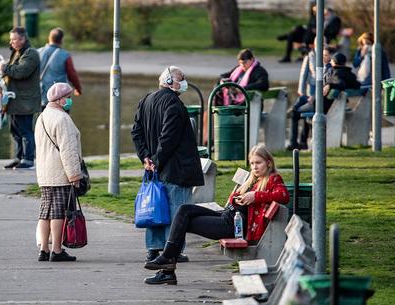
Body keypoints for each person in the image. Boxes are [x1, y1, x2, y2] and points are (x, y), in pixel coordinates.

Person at [143, 144, 289, 285]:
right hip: (226, 215)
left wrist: (255, 196)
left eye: (259, 163)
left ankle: (167, 268)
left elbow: (283, 195)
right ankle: (168, 262)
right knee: (184, 210)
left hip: (231, 226)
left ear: (268, 163)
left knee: (183, 221)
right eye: (252, 163)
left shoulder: (273, 179)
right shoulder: (253, 179)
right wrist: (239, 198)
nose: (255, 167)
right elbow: (236, 201)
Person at [131, 66, 204, 263]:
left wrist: (145, 157)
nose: (185, 81)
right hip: (175, 168)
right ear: (171, 81)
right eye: (182, 78)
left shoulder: (146, 100)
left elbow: (136, 132)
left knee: (156, 208)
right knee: (176, 210)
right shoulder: (174, 104)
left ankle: (154, 248)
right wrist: (156, 160)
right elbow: (168, 138)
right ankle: (172, 251)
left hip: (154, 167)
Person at [34, 83, 82, 262]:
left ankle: (43, 249)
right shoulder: (63, 119)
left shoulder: (42, 117)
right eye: (68, 97)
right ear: (60, 99)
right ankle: (57, 249)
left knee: (45, 212)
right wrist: (75, 175)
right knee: (58, 212)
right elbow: (68, 150)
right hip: (60, 172)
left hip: (45, 173)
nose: (70, 100)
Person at [287, 52, 360, 150]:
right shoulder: (349, 74)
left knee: (295, 113)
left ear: (334, 62)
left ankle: (294, 143)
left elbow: (340, 83)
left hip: (321, 106)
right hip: (327, 103)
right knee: (303, 101)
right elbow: (357, 85)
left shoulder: (335, 72)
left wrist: (330, 85)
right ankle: (303, 141)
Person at [0, 27, 41, 170]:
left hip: (25, 100)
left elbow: (21, 72)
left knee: (25, 131)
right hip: (14, 99)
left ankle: (28, 160)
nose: (11, 42)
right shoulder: (16, 52)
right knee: (14, 130)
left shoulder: (31, 54)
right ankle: (19, 157)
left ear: (23, 39)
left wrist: (4, 68)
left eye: (14, 39)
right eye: (10, 39)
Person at [38, 27, 83, 110]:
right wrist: (78, 88)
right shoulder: (65, 55)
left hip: (41, 96)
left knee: (43, 120)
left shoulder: (38, 52)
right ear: (62, 40)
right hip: (60, 98)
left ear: (49, 38)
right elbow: (72, 74)